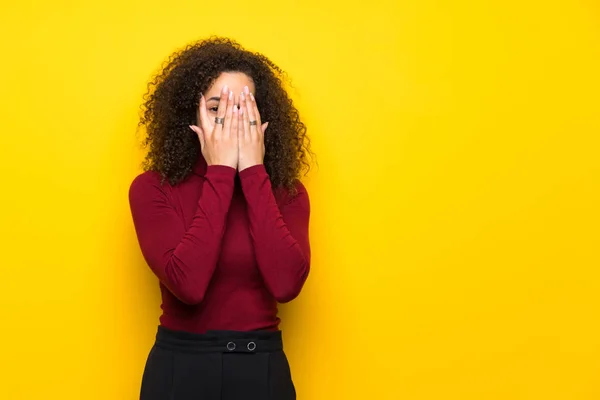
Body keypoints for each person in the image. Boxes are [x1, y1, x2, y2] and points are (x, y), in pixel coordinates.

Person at [128, 37, 312, 400]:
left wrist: (254, 172)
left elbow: (287, 284)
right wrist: (222, 170)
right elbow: (189, 285)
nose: (231, 121)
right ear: (191, 115)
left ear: (264, 118)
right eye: (216, 108)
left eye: (245, 108)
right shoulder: (153, 188)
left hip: (261, 368)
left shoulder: (287, 193)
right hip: (181, 370)